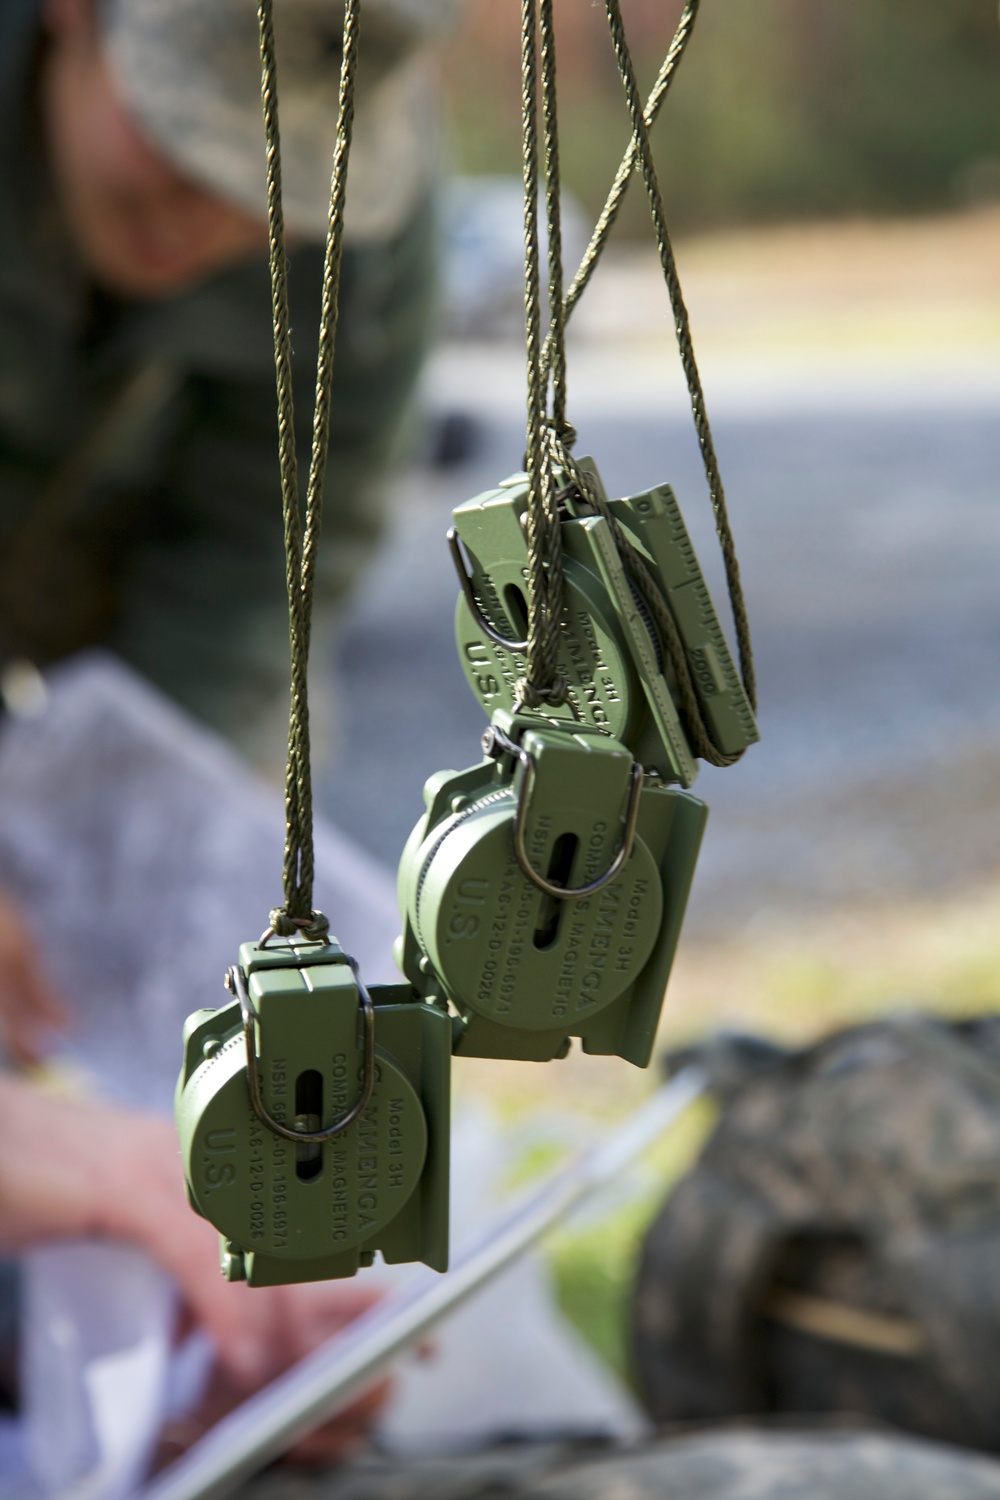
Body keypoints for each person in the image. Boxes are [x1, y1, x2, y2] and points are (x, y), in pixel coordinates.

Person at [0, 0, 452, 1458]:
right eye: (182, 139)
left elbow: (249, 585)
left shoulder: (359, 223)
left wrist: (125, 870)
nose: (207, 214)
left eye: (264, 181)